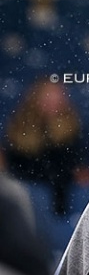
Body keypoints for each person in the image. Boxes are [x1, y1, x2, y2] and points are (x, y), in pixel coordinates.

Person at [3, 78, 83, 216]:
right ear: (36, 98)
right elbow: (15, 166)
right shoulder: (18, 130)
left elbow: (71, 169)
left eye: (57, 96)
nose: (52, 102)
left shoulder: (72, 131)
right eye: (48, 96)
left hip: (61, 200)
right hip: (27, 195)